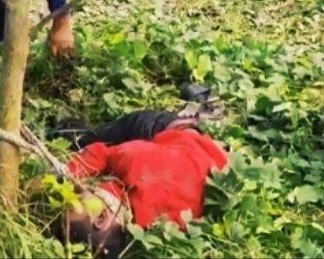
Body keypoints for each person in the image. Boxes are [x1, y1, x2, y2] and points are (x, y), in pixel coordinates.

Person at [48, 110, 230, 258]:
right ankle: (77, 133)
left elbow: (103, 154)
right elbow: (104, 153)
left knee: (95, 140)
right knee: (108, 135)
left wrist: (66, 173)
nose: (78, 191)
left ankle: (76, 132)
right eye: (76, 201)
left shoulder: (162, 228)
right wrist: (72, 172)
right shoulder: (139, 169)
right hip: (186, 138)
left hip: (209, 159)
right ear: (102, 219)